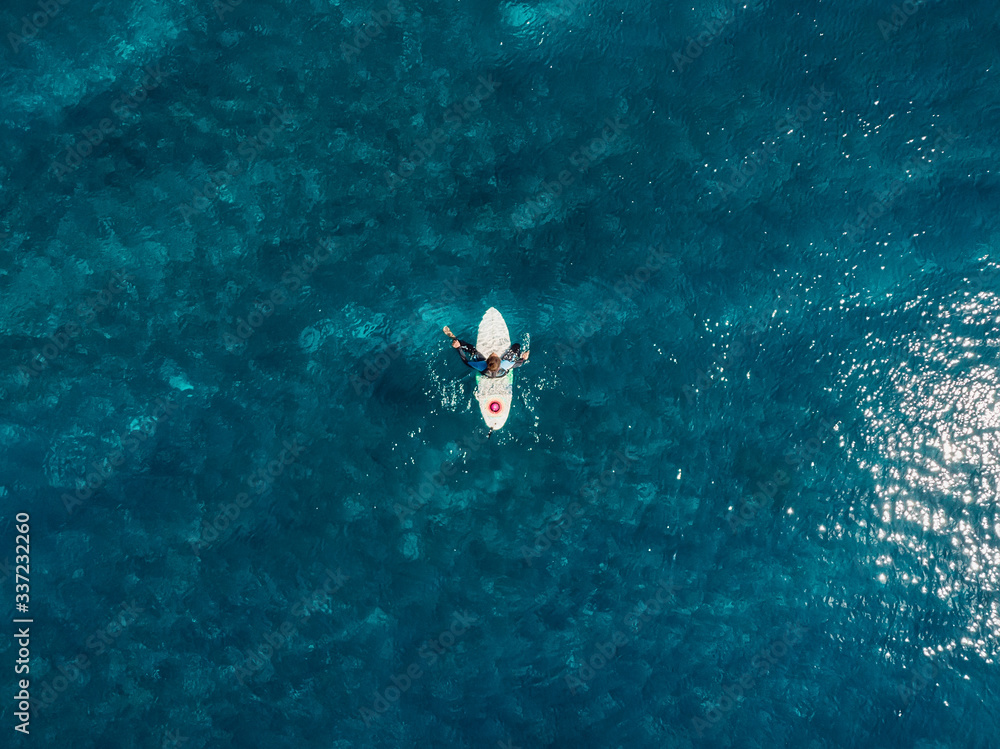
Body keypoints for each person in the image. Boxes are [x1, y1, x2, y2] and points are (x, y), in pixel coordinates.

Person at [443, 325, 528, 377]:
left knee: (472, 350)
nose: (493, 353)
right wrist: (523, 358)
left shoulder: (481, 365)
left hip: (485, 373)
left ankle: (455, 340)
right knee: (516, 347)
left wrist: (458, 348)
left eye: (492, 355)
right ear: (500, 361)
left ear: (486, 361)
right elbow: (519, 363)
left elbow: (466, 362)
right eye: (494, 355)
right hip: (501, 375)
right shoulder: (505, 364)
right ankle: (455, 340)